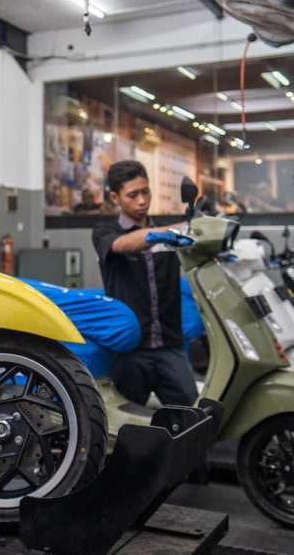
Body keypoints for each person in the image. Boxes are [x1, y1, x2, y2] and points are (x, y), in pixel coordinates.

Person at [91, 160, 198, 408]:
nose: (142, 200)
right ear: (115, 197)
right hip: (129, 350)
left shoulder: (168, 233)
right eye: (133, 195)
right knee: (127, 423)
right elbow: (123, 244)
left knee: (193, 415)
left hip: (170, 347)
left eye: (145, 192)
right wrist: (177, 230)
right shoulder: (105, 232)